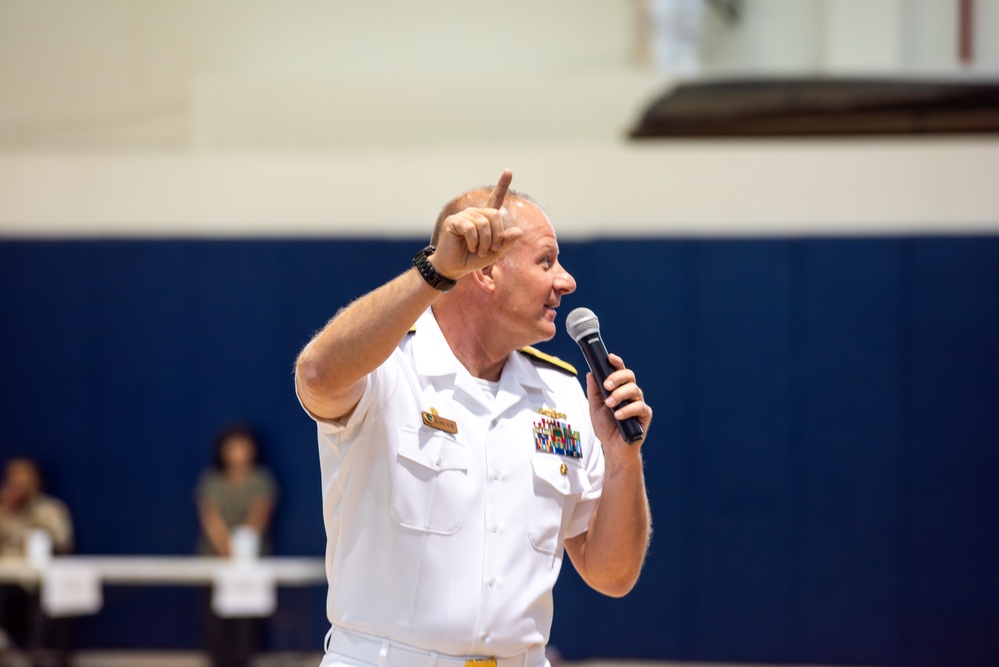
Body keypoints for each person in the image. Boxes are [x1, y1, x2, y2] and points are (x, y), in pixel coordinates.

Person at [295, 169, 653, 667]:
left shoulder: (563, 394)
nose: (566, 281)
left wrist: (621, 460)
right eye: (546, 261)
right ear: (484, 272)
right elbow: (315, 375)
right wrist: (435, 271)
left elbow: (612, 575)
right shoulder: (389, 368)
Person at [195, 424, 278, 667]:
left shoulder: (261, 481)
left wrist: (241, 549)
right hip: (214, 564)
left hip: (249, 565)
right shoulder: (211, 481)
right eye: (232, 446)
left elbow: (257, 519)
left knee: (244, 625)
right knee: (215, 624)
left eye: (243, 446)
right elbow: (210, 518)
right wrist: (224, 547)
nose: (237, 452)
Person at [0, 457, 74, 662]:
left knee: (55, 605)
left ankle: (43, 659)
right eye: (15, 481)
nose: (20, 487)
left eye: (25, 481)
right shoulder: (2, 509)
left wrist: (33, 514)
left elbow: (63, 542)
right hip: (7, 578)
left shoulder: (51, 509)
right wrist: (5, 509)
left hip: (41, 577)